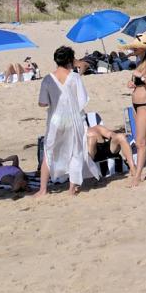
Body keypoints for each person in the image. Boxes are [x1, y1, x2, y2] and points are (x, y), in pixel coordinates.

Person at [35, 45, 99, 197]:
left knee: (48, 153)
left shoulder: (48, 79)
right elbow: (82, 100)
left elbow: (42, 103)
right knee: (75, 152)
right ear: (70, 60)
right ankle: (72, 188)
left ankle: (43, 189)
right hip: (73, 119)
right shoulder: (74, 77)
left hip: (56, 120)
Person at [122, 38, 146, 186]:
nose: (134, 51)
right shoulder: (140, 63)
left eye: (136, 48)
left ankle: (137, 176)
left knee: (140, 142)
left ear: (144, 49)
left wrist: (142, 78)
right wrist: (132, 83)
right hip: (136, 104)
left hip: (145, 104)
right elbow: (140, 83)